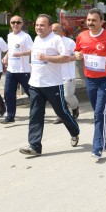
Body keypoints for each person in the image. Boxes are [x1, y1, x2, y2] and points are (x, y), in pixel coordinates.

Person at [18, 14, 80, 156]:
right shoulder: (36, 39)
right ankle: (34, 146)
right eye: (37, 25)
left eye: (42, 25)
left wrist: (46, 58)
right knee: (35, 114)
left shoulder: (56, 39)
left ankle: (75, 131)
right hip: (35, 84)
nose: (38, 28)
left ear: (50, 27)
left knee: (61, 112)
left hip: (53, 84)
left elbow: (65, 57)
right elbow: (36, 56)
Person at [74, 9, 106, 161]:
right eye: (88, 20)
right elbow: (78, 51)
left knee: (99, 113)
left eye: (94, 20)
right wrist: (78, 55)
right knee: (100, 111)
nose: (90, 23)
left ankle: (97, 146)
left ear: (101, 21)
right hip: (89, 79)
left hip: (105, 78)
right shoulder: (82, 36)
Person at [1, 16, 33, 124]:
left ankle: (38, 111)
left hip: (23, 70)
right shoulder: (9, 36)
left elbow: (32, 50)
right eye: (13, 22)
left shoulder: (26, 36)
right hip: (11, 70)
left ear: (22, 23)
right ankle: (10, 116)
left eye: (18, 22)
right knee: (8, 93)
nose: (15, 24)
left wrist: (21, 54)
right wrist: (6, 57)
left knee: (32, 93)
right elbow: (10, 49)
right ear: (10, 23)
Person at [51, 23, 80, 124]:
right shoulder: (48, 42)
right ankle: (60, 115)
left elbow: (78, 56)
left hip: (67, 74)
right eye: (51, 30)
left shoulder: (69, 42)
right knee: (57, 97)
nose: (52, 32)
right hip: (53, 75)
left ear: (61, 31)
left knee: (67, 96)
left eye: (55, 30)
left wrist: (65, 59)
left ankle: (75, 106)